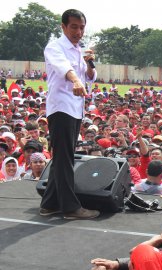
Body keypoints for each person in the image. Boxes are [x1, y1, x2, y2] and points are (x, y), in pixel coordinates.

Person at [39, 9, 99, 219]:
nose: (78, 32)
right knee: (65, 159)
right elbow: (63, 67)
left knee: (62, 157)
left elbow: (89, 76)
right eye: (74, 27)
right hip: (61, 107)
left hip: (75, 108)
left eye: (82, 27)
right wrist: (75, 80)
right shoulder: (55, 47)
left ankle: (50, 203)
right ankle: (71, 208)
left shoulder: (79, 50)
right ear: (63, 27)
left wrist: (90, 65)